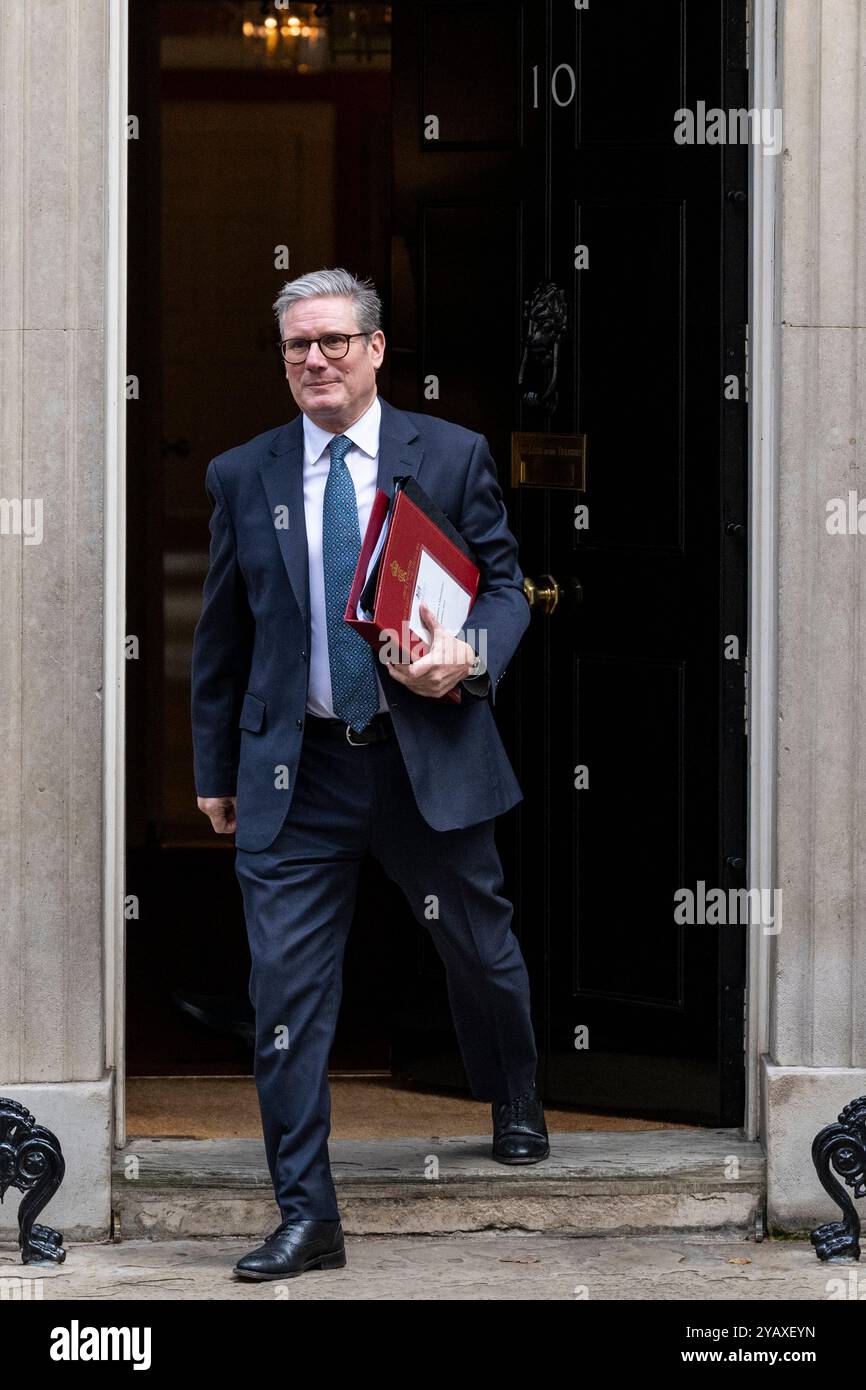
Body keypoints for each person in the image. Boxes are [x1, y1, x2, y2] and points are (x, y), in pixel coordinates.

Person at [190, 267, 548, 1282]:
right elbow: (220, 639)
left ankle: (512, 1085)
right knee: (286, 996)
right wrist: (213, 767)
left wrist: (467, 656)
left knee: (479, 947)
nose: (314, 360)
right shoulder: (242, 474)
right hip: (294, 775)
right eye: (296, 346)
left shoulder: (451, 454)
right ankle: (309, 1213)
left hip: (421, 755)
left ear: (377, 348)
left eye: (333, 342)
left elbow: (507, 584)